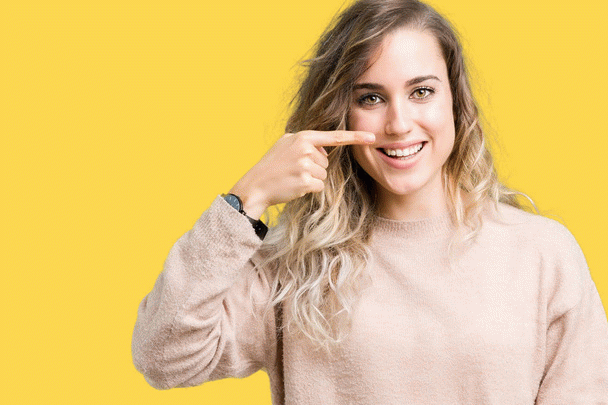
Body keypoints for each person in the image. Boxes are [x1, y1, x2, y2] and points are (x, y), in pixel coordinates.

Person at [131, 0, 608, 403]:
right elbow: (162, 356)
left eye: (422, 91)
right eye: (371, 98)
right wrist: (247, 197)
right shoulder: (295, 263)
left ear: (456, 102)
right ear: (340, 113)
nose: (398, 124)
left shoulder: (542, 254)